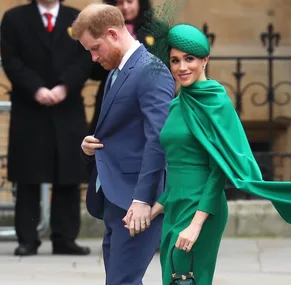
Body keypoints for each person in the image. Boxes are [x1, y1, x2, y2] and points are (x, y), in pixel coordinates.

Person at [124, 24, 291, 285]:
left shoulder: (216, 101)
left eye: (190, 59)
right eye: (175, 61)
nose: (181, 67)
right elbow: (179, 169)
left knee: (187, 278)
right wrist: (151, 211)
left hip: (203, 208)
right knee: (172, 277)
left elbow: (216, 170)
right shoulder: (177, 104)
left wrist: (196, 224)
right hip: (175, 206)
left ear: (205, 60)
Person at [71, 3, 174, 285]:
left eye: (95, 48)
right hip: (115, 196)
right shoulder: (119, 69)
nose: (93, 58)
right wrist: (89, 147)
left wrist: (142, 200)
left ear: (113, 34)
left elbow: (159, 140)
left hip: (136, 199)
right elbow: (123, 132)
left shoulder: (151, 70)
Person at [0, 0, 93, 256]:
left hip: (68, 104)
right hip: (30, 105)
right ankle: (27, 239)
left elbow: (87, 57)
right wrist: (37, 89)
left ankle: (65, 238)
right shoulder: (14, 18)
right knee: (28, 174)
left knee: (68, 174)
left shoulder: (78, 17)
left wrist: (64, 86)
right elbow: (11, 59)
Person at [88, 0, 155, 135]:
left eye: (130, 2)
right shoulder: (99, 31)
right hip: (111, 98)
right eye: (119, 2)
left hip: (145, 99)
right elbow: (92, 70)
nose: (125, 7)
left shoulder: (156, 30)